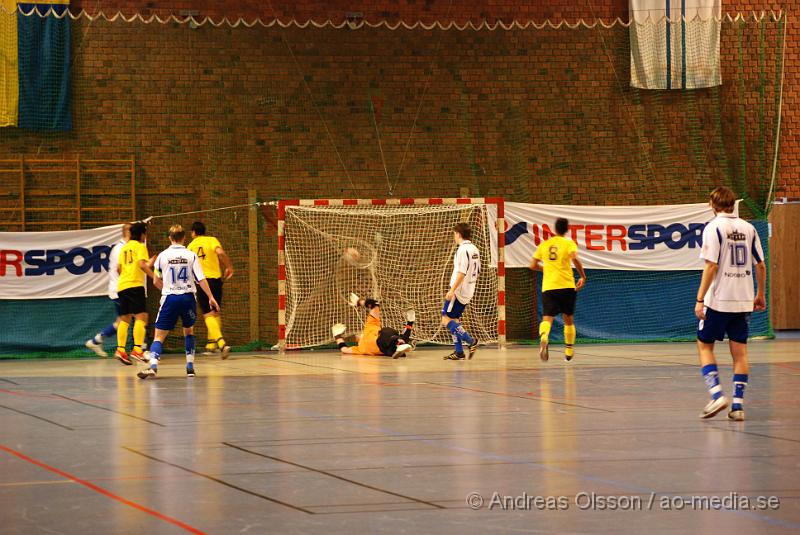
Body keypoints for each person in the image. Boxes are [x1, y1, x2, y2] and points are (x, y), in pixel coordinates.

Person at [695, 186, 766, 421]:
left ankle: (716, 394)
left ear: (712, 205)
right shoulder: (750, 228)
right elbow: (760, 265)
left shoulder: (713, 227)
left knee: (704, 345)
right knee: (740, 353)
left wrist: (699, 299)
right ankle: (737, 406)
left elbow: (711, 266)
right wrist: (760, 294)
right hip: (743, 299)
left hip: (718, 299)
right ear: (733, 204)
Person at [137, 225, 220, 379]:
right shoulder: (191, 255)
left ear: (170, 238)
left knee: (159, 336)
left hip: (170, 298)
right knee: (188, 331)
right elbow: (201, 279)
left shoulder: (162, 256)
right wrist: (210, 297)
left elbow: (155, 280)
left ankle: (153, 365)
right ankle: (190, 367)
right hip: (188, 298)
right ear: (184, 238)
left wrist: (166, 289)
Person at [530, 217, 587, 362]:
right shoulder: (568, 243)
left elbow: (532, 265)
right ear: (567, 229)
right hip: (566, 285)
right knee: (568, 319)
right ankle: (568, 351)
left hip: (549, 287)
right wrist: (582, 276)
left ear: (554, 229)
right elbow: (575, 259)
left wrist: (546, 269)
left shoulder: (545, 244)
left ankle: (544, 337)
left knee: (547, 318)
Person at [187, 221, 233, 359]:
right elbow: (221, 253)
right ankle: (211, 345)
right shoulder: (212, 240)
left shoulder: (190, 246)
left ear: (193, 232)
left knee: (208, 314)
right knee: (216, 312)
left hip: (202, 282)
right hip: (216, 281)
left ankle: (221, 343)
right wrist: (229, 266)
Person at [115, 222, 158, 365]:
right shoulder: (140, 246)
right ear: (142, 234)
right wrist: (154, 277)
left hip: (122, 285)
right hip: (135, 285)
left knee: (125, 318)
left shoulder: (124, 248)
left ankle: (120, 349)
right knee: (142, 316)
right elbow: (141, 265)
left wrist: (148, 264)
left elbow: (119, 269)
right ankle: (137, 349)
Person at [85, 223, 130, 357]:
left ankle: (96, 341)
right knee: (136, 317)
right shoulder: (121, 249)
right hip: (120, 289)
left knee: (123, 320)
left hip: (121, 289)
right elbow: (120, 269)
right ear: (128, 233)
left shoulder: (124, 247)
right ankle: (140, 350)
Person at [332, 293, 414, 358]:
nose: (356, 336)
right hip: (384, 342)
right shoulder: (361, 345)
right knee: (388, 332)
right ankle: (402, 339)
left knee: (394, 337)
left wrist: (337, 337)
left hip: (387, 350)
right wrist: (360, 302)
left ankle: (403, 337)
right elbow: (375, 304)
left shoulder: (361, 348)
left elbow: (344, 349)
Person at [442, 222, 480, 361]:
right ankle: (459, 352)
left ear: (458, 234)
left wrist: (452, 290)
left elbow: (462, 272)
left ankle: (471, 341)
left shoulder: (463, 250)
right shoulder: (474, 248)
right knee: (455, 319)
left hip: (459, 290)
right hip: (469, 289)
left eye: (454, 233)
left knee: (445, 319)